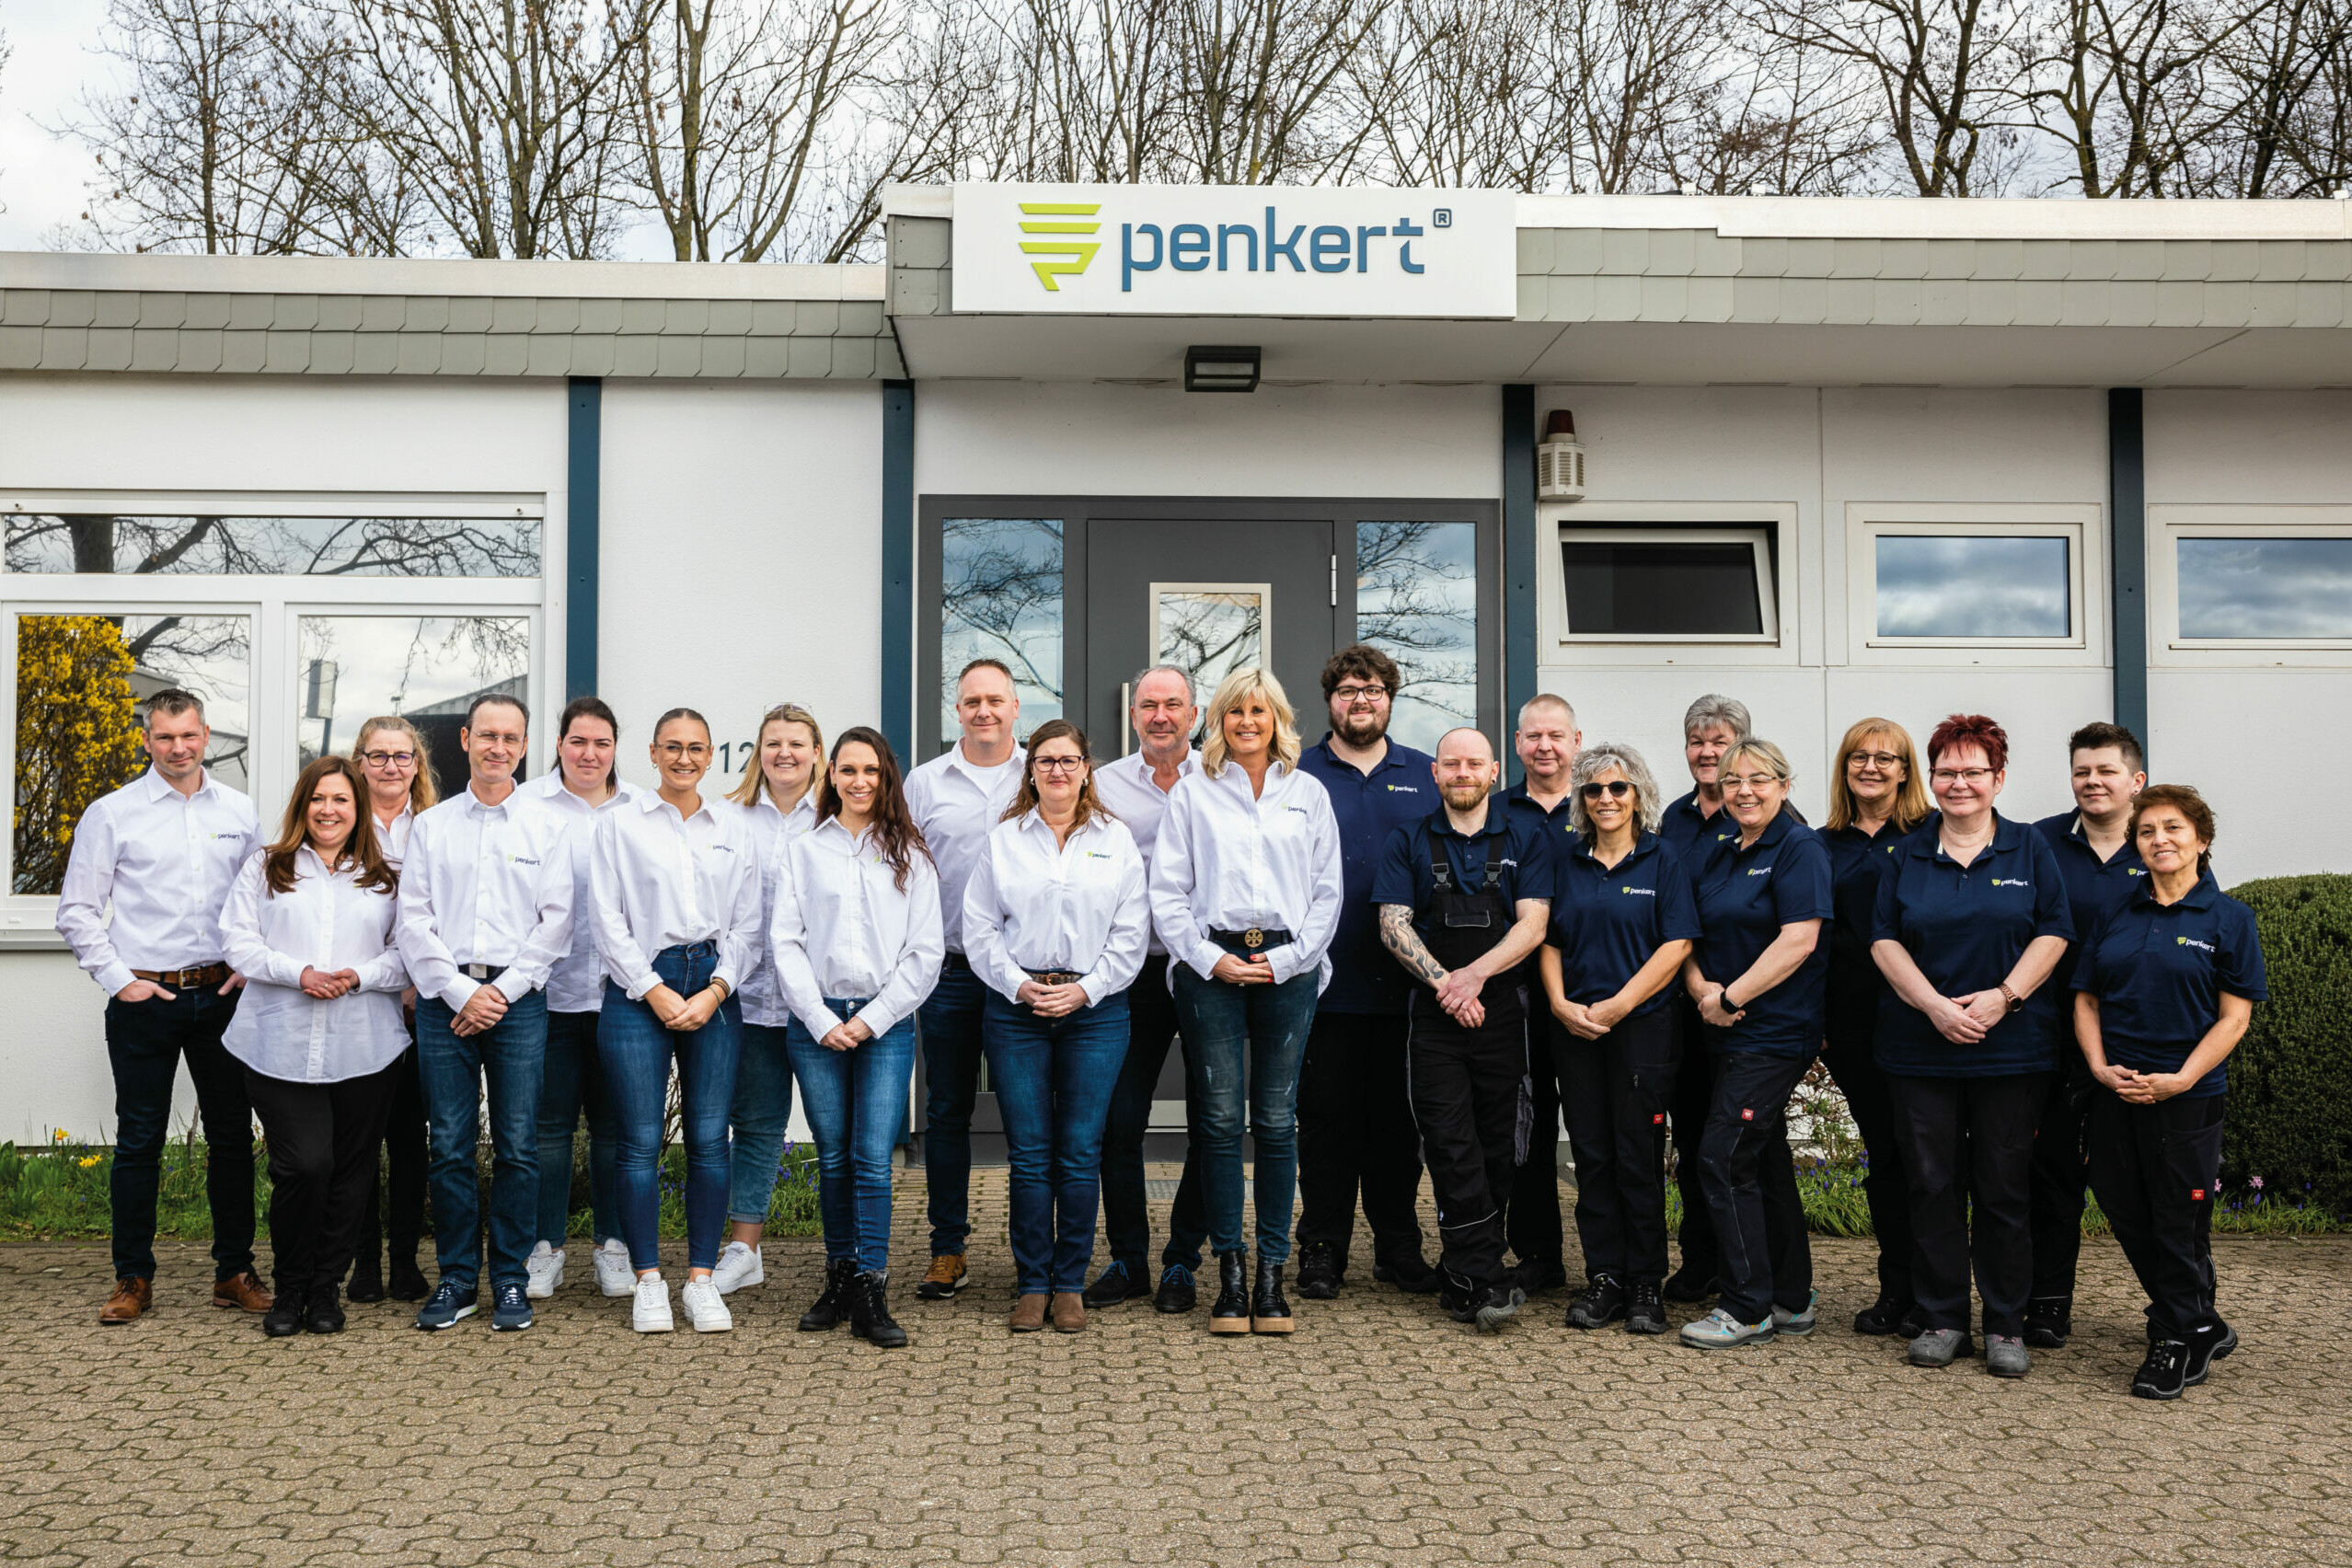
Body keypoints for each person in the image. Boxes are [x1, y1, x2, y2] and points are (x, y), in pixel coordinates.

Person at [56, 689, 271, 1325]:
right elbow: (76, 911)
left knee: (233, 1137)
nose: (178, 747)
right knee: (139, 1140)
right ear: (146, 741)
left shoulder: (239, 810)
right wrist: (121, 979)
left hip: (222, 997)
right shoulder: (112, 813)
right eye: (164, 737)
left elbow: (258, 900)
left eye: (189, 735)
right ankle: (133, 1277)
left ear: (206, 735)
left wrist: (247, 968)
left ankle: (233, 1271)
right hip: (146, 998)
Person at [1871, 714, 2072, 1378]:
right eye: (1948, 772)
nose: (1960, 783)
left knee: (2003, 1189)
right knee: (1930, 1185)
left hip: (2010, 1051)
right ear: (1930, 780)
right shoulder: (1904, 854)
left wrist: (2004, 997)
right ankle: (1942, 1317)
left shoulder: (2030, 850)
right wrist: (1932, 1006)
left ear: (1999, 778)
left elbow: (2053, 932)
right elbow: (1883, 940)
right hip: (1921, 1049)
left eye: (1973, 771)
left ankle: (2006, 1325)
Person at [1149, 668, 1342, 1336]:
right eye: (1235, 712)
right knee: (1221, 1122)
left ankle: (1272, 1275)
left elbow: (1327, 894)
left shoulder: (1308, 793)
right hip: (1212, 968)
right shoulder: (1193, 794)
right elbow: (1167, 892)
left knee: (1278, 1120)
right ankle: (1230, 1273)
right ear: (1219, 721)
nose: (1247, 722)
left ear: (1277, 719)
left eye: (1258, 711)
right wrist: (1210, 958)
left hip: (1289, 968)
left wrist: (1288, 960)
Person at [2073, 785, 2266, 1401]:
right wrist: (2101, 1069)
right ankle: (2201, 1318)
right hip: (2117, 1090)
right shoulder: (2116, 914)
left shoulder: (2230, 919)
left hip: (2187, 1095)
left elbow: (2234, 1017)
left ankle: (2177, 1336)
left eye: (2173, 829)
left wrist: (2181, 1077)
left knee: (2177, 1217)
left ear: (2201, 841)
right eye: (2148, 830)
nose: (2160, 839)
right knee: (2125, 1207)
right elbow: (2086, 999)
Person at [396, 694, 575, 1333]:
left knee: (519, 1147)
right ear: (466, 740)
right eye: (487, 735)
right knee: (447, 1146)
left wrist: (504, 991)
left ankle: (510, 1279)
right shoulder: (433, 825)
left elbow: (557, 924)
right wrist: (457, 992)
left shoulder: (549, 828)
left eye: (511, 738)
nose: (498, 747)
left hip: (519, 1003)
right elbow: (412, 921)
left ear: (525, 748)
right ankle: (455, 1279)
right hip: (447, 1003)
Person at [964, 720, 1150, 1333]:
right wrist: (1021, 985)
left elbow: (1132, 933)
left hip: (1095, 1011)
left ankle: (1069, 1282)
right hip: (1016, 1010)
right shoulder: (1004, 841)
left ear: (1087, 768)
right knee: (1031, 1155)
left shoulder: (1115, 839)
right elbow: (980, 928)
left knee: (1078, 1153)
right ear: (1031, 769)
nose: (1058, 772)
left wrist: (1084, 990)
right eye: (1046, 761)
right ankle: (1032, 1283)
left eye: (1069, 761)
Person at [219, 756, 409, 1336]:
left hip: (366, 1043)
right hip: (278, 1040)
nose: (329, 810)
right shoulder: (267, 867)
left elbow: (408, 951)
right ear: (303, 805)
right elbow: (236, 940)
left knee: (352, 1172)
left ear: (359, 810)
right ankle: (290, 1288)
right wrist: (296, 971)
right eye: (318, 799)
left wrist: (358, 976)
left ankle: (325, 1291)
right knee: (304, 1165)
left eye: (342, 801)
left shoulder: (389, 876)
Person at [1373, 728, 1554, 1332]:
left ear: (1494, 771)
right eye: (1451, 763)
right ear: (1435, 773)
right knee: (1450, 1145)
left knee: (1499, 1146)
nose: (1462, 772)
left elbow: (1533, 926)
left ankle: (1463, 1271)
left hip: (1503, 1010)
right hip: (1436, 1015)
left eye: (1474, 763)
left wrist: (1472, 978)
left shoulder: (1525, 836)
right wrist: (1448, 988)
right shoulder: (1410, 840)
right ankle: (1481, 1276)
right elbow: (1394, 927)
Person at [772, 727, 945, 1350]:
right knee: (836, 1157)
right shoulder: (803, 849)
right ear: (832, 776)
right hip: (815, 1022)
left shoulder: (910, 854)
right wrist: (821, 1017)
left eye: (871, 770)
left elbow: (924, 953)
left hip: (886, 1023)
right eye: (848, 770)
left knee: (873, 1160)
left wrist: (871, 1018)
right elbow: (785, 941)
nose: (860, 781)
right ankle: (840, 1276)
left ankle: (872, 1287)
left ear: (886, 777)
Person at [590, 707, 761, 1334]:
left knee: (711, 1140)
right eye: (672, 748)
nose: (685, 758)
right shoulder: (619, 826)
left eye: (696, 748)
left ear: (711, 756)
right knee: (637, 1142)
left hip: (713, 985)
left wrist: (717, 989)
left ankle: (701, 1281)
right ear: (654, 755)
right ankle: (647, 1281)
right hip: (640, 989)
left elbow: (747, 922)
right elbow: (605, 920)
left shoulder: (732, 827)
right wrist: (653, 988)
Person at [1290, 644, 1441, 1300]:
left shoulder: (1428, 775)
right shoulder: (1297, 774)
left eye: (1374, 690)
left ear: (1391, 699)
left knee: (1397, 1131)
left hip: (1407, 990)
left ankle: (1398, 1249)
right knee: (1325, 1125)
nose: (1361, 701)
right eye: (1350, 690)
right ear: (1330, 699)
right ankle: (1322, 1248)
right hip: (1321, 985)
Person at [1538, 743, 1699, 1336]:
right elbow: (1549, 939)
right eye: (1594, 790)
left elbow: (1678, 943)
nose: (1606, 799)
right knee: (1593, 1157)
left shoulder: (1665, 861)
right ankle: (1604, 1278)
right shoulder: (1566, 861)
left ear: (1638, 796)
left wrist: (1620, 1004)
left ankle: (1644, 1284)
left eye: (1618, 788)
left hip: (1642, 1032)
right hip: (1576, 1028)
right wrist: (1559, 1004)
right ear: (1580, 800)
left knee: (1638, 1157)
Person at [1677, 736, 1831, 1350]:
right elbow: (1686, 930)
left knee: (1722, 1155)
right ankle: (1791, 1298)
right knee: (1762, 1162)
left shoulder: (1800, 848)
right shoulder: (1718, 851)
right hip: (1721, 1028)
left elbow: (1799, 941)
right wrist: (1699, 990)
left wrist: (1731, 997)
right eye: (1734, 779)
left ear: (1784, 786)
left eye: (1759, 779)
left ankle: (1747, 1308)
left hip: (1773, 1033)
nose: (1744, 790)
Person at [1085, 668, 1211, 1314]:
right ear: (1132, 713)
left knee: (1211, 1122)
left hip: (1205, 972)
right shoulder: (1103, 787)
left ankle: (1183, 1261)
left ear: (1195, 712)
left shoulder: (1218, 782)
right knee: (1118, 1123)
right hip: (1129, 975)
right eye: (1147, 705)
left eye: (1172, 704)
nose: (1160, 716)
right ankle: (1129, 1258)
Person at [905, 659, 1026, 1301]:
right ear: (958, 710)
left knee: (1026, 1113)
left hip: (1023, 976)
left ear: (1015, 707)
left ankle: (1028, 1251)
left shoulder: (1043, 772)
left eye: (995, 700)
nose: (984, 711)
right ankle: (947, 1249)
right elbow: (902, 873)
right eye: (972, 701)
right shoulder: (924, 784)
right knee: (947, 1111)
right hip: (950, 973)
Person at [2026, 721, 2148, 1348]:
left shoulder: (2162, 844)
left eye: (2105, 771)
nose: (2092, 782)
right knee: (2049, 1180)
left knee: (2142, 1183)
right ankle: (2047, 1304)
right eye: (2082, 771)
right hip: (2048, 1040)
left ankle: (2183, 1306)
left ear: (2136, 780)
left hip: (2135, 1046)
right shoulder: (2039, 844)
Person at [518, 697, 639, 1303]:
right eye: (577, 741)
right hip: (550, 994)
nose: (589, 754)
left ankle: (613, 1247)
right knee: (549, 1129)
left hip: (623, 997)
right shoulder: (527, 806)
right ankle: (546, 1249)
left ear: (615, 748)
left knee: (617, 1130)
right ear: (559, 744)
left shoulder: (643, 808)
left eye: (601, 743)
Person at [1818, 718, 1931, 1337]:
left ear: (1906, 770)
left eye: (1885, 758)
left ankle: (1936, 1293)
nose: (1871, 767)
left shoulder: (1931, 834)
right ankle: (1898, 1290)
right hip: (1851, 1028)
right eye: (1858, 757)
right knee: (1885, 1157)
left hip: (1920, 1023)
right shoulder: (1820, 843)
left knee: (1926, 1159)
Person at [711, 702, 824, 1297]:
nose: (784, 753)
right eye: (773, 743)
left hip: (821, 1006)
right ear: (760, 751)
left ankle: (850, 1255)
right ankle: (743, 1250)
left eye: (796, 744)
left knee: (839, 1132)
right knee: (754, 1126)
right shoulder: (730, 818)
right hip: (749, 1001)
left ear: (816, 753)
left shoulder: (837, 817)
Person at [1656, 693, 1750, 1305]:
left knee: (1740, 1149)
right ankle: (1699, 1262)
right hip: (1684, 1007)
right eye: (1698, 741)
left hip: (1747, 1009)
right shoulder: (1674, 818)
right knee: (1691, 1139)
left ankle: (1751, 1269)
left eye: (1719, 741)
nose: (1707, 752)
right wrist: (1694, 986)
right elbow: (1670, 911)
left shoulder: (1767, 815)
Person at [345, 716, 437, 1304]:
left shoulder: (435, 826)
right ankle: (363, 1265)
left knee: (410, 1141)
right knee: (357, 1141)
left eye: (402, 757)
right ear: (359, 763)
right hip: (355, 1002)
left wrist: (417, 981)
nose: (390, 768)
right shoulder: (336, 822)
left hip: (419, 1005)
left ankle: (405, 1260)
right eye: (377, 757)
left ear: (417, 765)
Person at [1502, 695, 1583, 1295]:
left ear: (1577, 742)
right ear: (1517, 742)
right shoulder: (1495, 812)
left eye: (1556, 735)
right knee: (1525, 1126)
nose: (1545, 746)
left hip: (1593, 994)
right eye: (1533, 736)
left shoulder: (1607, 806)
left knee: (1595, 1128)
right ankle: (1537, 1255)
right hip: (1517, 996)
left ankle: (1615, 1257)